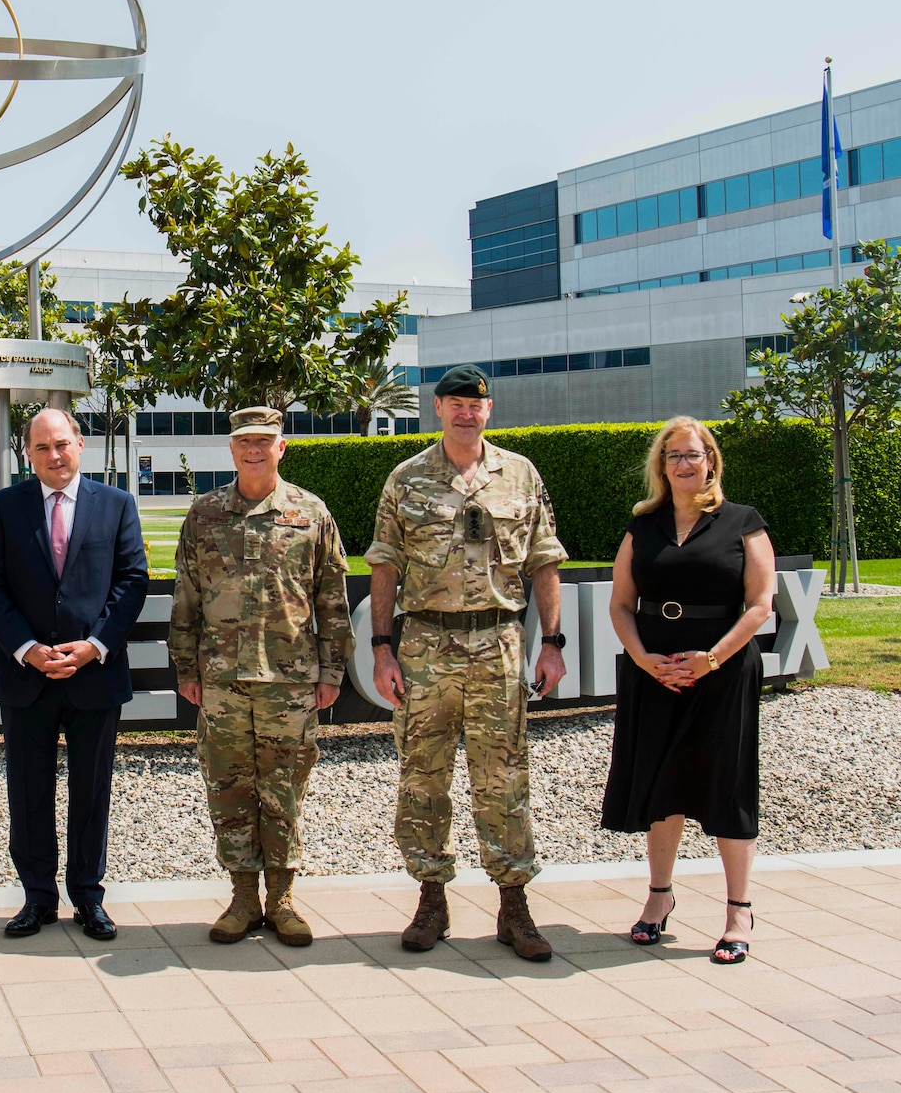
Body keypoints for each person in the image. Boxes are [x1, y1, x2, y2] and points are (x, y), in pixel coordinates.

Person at [367, 364, 567, 962]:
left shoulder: (520, 476)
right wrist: (382, 648)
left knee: (503, 778)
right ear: (437, 408)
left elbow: (544, 561)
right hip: (425, 646)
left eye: (475, 405)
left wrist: (552, 642)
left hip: (499, 645)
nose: (465, 413)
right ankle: (431, 899)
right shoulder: (406, 479)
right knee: (423, 777)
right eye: (455, 403)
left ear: (489, 410)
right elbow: (385, 566)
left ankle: (513, 904)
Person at [169, 406, 352, 946]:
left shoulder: (310, 513)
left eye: (263, 441)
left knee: (285, 789)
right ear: (231, 449)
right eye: (244, 441)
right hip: (222, 680)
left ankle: (283, 898)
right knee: (228, 787)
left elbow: (332, 599)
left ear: (281, 447)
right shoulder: (204, 515)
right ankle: (244, 897)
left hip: (290, 680)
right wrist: (186, 667)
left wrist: (332, 669)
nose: (253, 449)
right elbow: (187, 598)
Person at [603, 416, 774, 965]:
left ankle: (738, 911)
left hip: (721, 671)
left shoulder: (742, 522)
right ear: (661, 465)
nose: (683, 464)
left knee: (725, 783)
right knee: (662, 785)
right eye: (673, 455)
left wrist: (711, 660)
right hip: (654, 672)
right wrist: (645, 661)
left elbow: (759, 604)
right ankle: (659, 897)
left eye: (693, 454)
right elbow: (621, 604)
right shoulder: (642, 526)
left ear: (711, 461)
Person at [0, 407, 149, 940]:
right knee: (27, 790)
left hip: (94, 674)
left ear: (81, 444)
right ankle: (37, 898)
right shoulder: (5, 507)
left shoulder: (117, 505)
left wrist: (95, 645)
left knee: (91, 790)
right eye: (42, 447)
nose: (54, 455)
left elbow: (132, 581)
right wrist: (26, 648)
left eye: (62, 444)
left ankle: (88, 897)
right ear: (27, 453)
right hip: (27, 677)